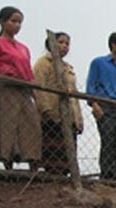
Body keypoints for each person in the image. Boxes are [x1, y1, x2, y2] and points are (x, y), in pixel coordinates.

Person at [0, 6, 41, 171]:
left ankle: (32, 160)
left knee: (31, 123)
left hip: (25, 88)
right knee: (9, 123)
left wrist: (35, 95)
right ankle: (7, 159)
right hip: (6, 86)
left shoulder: (23, 48)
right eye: (13, 21)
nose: (17, 25)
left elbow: (28, 71)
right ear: (2, 21)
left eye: (20, 22)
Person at [33, 31, 83, 175]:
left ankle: (65, 177)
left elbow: (74, 95)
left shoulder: (68, 68)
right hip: (52, 114)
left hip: (69, 115)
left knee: (68, 152)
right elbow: (38, 86)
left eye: (67, 44)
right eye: (60, 42)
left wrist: (78, 118)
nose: (64, 46)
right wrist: (46, 110)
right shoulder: (43, 63)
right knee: (52, 151)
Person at [86, 30, 116, 180]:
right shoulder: (99, 63)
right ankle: (107, 175)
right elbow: (91, 85)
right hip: (106, 106)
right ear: (113, 44)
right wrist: (94, 104)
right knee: (108, 140)